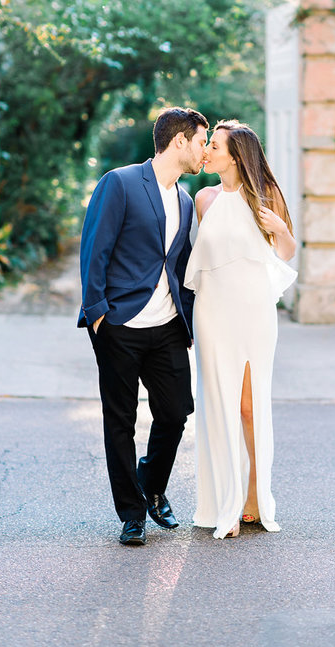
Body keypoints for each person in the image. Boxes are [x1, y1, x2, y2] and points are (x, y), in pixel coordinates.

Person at [79, 106, 208, 546]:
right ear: (179, 142)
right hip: (119, 323)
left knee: (175, 412)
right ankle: (132, 514)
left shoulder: (186, 200)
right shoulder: (121, 182)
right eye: (201, 142)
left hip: (168, 325)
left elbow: (179, 265)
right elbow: (94, 247)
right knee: (120, 420)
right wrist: (97, 312)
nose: (205, 151)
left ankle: (150, 486)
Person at [187, 120, 297, 539]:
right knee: (219, 405)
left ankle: (253, 496)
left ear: (235, 156)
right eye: (208, 144)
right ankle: (225, 505)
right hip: (213, 311)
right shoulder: (204, 198)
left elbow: (284, 253)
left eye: (214, 146)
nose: (207, 151)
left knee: (250, 407)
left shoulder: (266, 196)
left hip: (254, 312)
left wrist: (282, 231)